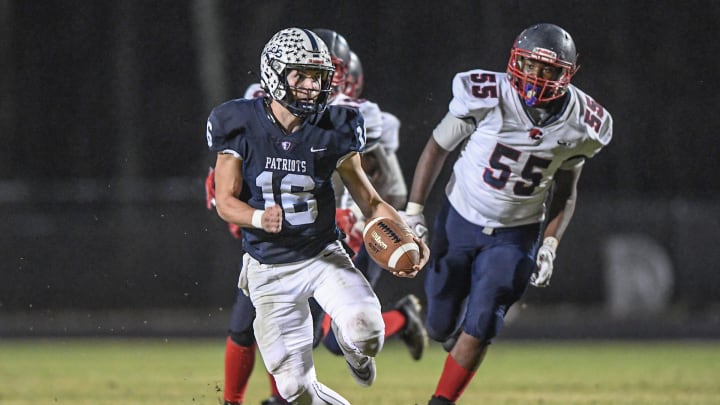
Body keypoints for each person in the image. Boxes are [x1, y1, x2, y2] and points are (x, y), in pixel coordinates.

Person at [207, 27, 429, 405]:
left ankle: (352, 344)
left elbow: (371, 200)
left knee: (366, 332)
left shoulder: (338, 126)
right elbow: (225, 200)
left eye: (319, 77)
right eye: (302, 76)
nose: (313, 86)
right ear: (274, 74)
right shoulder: (237, 121)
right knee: (294, 390)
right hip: (268, 268)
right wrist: (259, 218)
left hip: (323, 255)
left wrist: (404, 232)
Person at [401, 23, 613, 404]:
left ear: (567, 74)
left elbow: (566, 190)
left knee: (484, 321)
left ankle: (441, 400)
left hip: (517, 232)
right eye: (530, 65)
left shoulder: (584, 124)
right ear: (515, 61)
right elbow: (437, 147)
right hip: (460, 217)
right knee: (438, 325)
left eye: (548, 70)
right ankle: (444, 331)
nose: (537, 77)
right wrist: (414, 211)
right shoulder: (486, 94)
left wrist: (549, 244)